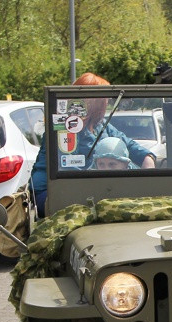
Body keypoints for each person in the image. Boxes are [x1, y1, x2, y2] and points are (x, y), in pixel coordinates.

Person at [31, 72, 155, 217]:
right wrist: (102, 180)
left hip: (91, 190)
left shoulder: (100, 126)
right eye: (105, 99)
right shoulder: (65, 127)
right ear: (95, 103)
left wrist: (146, 158)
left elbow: (126, 143)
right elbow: (67, 168)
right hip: (53, 192)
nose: (108, 103)